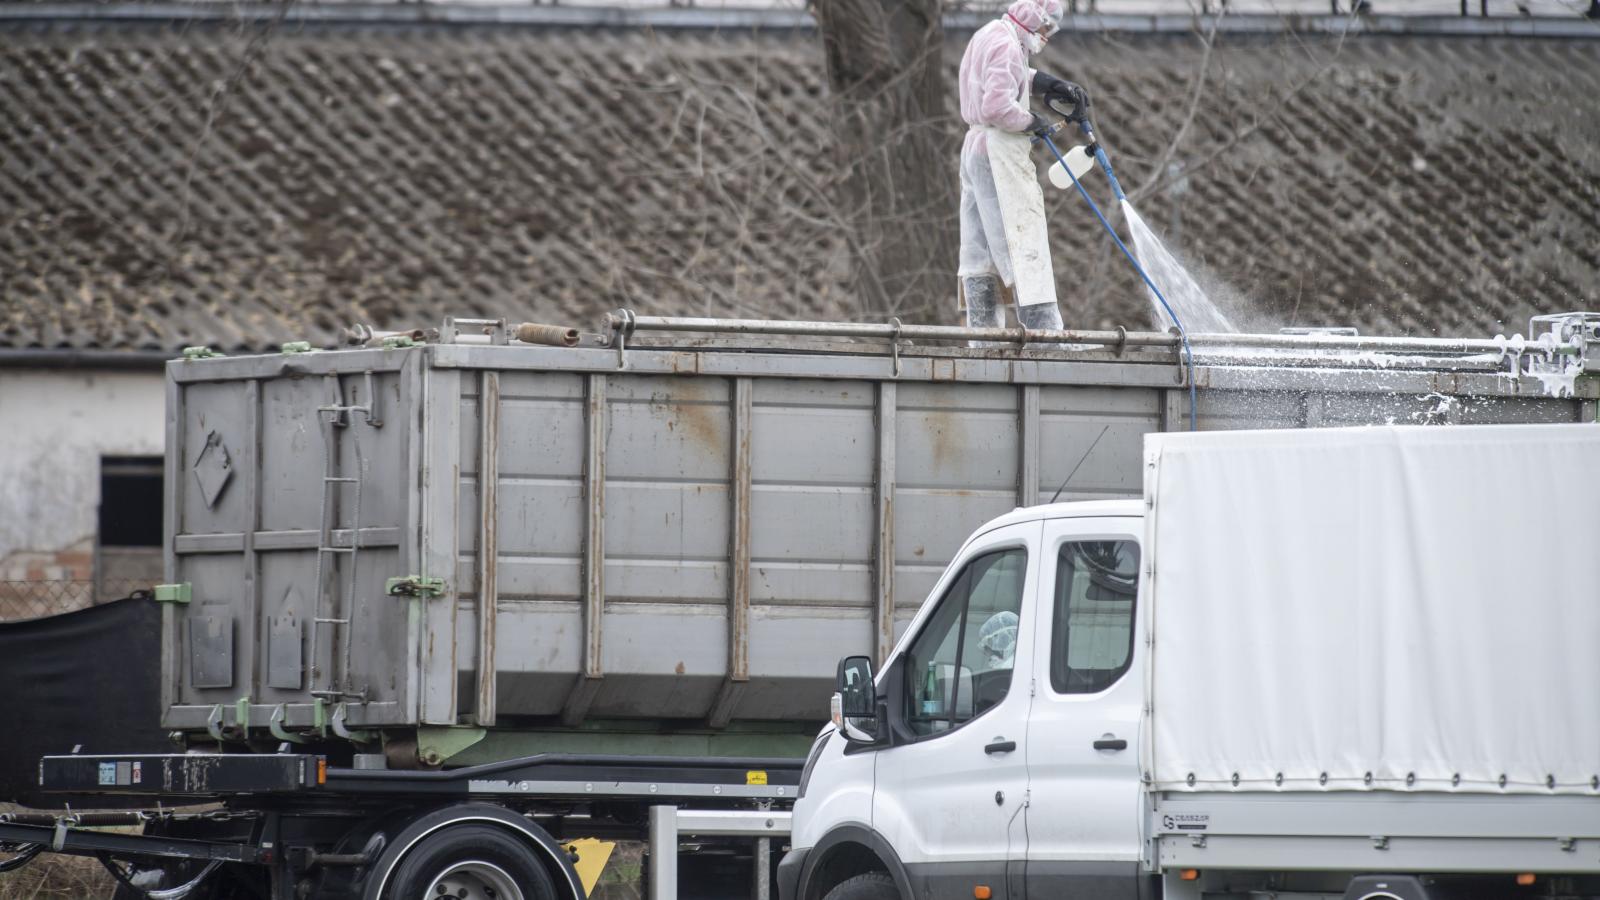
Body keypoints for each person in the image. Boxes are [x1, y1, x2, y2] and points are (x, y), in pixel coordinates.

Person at [957, 0, 1086, 344]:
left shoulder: (991, 34)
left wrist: (1048, 84)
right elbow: (997, 106)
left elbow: (1007, 75)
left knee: (980, 252)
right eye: (1047, 28)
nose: (1047, 36)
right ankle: (1047, 339)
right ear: (1035, 17)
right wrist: (1034, 122)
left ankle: (983, 339)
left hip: (975, 149)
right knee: (1024, 242)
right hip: (998, 153)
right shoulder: (1006, 46)